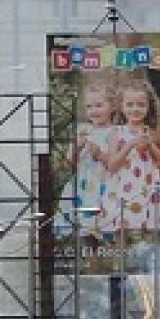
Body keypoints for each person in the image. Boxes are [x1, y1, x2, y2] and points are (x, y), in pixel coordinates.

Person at [101, 77, 160, 233]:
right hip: (124, 191)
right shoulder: (116, 133)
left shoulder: (155, 131)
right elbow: (112, 165)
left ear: (149, 106)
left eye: (141, 105)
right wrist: (130, 144)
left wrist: (151, 146)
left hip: (151, 190)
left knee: (152, 233)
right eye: (130, 104)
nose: (135, 109)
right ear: (121, 106)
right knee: (123, 231)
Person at [57, 79, 117, 233]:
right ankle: (87, 253)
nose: (94, 111)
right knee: (83, 230)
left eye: (99, 105)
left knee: (105, 228)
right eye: (89, 107)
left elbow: (115, 164)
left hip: (104, 185)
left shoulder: (115, 132)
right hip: (82, 186)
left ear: (112, 106)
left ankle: (103, 253)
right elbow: (68, 163)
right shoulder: (83, 130)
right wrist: (77, 147)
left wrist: (98, 153)